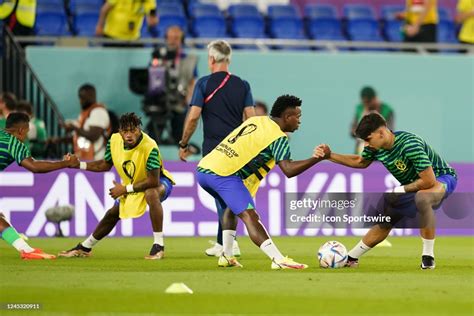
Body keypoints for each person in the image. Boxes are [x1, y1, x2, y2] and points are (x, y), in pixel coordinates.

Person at [197, 94, 329, 269]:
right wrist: (317, 159)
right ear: (287, 117)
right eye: (298, 117)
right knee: (250, 216)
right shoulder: (278, 138)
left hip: (204, 169)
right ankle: (278, 260)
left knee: (231, 209)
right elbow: (288, 170)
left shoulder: (257, 121)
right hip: (224, 174)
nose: (299, 121)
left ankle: (227, 256)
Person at [315, 113, 457, 270]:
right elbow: (360, 162)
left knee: (423, 198)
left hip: (442, 178)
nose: (366, 144)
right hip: (414, 184)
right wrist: (329, 155)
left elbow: (429, 181)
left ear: (381, 133)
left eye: (368, 139)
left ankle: (428, 258)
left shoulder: (410, 145)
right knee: (386, 220)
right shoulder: (375, 147)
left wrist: (399, 189)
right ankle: (351, 257)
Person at [58, 113, 175, 260]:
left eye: (133, 131)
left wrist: (125, 189)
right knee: (112, 214)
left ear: (139, 130)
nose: (129, 135)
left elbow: (153, 181)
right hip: (133, 185)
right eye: (125, 131)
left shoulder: (150, 146)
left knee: (151, 193)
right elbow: (104, 165)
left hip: (159, 183)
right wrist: (79, 164)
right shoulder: (114, 141)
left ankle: (158, 247)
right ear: (119, 131)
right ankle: (85, 248)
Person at [178, 40, 256, 257]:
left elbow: (193, 117)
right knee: (223, 196)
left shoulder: (203, 84)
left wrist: (184, 143)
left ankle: (231, 244)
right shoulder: (243, 85)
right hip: (237, 150)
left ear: (211, 59)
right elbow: (252, 119)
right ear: (228, 59)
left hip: (213, 150)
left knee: (222, 196)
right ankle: (223, 242)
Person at [1, 112, 78, 259]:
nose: (26, 137)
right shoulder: (14, 142)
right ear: (21, 131)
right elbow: (34, 166)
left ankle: (17, 240)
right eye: (27, 132)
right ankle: (26, 250)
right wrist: (65, 163)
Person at [62, 84, 111, 161]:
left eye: (82, 97)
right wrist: (58, 140)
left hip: (97, 161)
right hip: (85, 159)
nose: (80, 101)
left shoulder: (98, 111)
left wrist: (74, 128)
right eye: (80, 97)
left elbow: (93, 136)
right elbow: (80, 136)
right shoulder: (85, 113)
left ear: (91, 96)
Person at [351, 86, 394, 154]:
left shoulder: (387, 110)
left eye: (368, 102)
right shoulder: (359, 109)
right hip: (362, 150)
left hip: (382, 150)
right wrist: (362, 120)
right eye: (364, 102)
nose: (367, 105)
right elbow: (352, 132)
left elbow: (390, 132)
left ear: (375, 98)